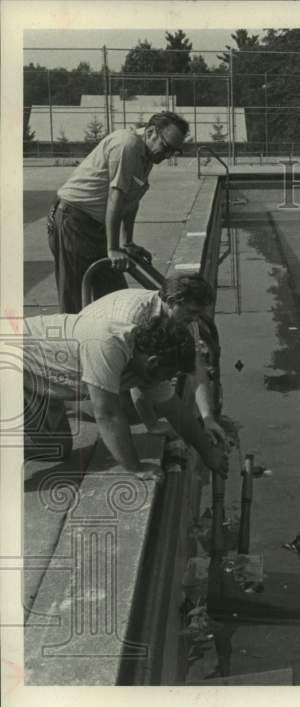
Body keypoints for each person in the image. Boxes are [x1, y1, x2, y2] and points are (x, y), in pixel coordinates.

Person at [22, 313, 227, 482]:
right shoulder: (108, 346)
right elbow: (107, 415)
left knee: (56, 448)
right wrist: (135, 467)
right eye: (169, 375)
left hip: (39, 376)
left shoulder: (144, 354)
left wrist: (208, 454)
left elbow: (174, 408)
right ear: (153, 362)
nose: (167, 380)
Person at [47, 111, 190, 313]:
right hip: (73, 221)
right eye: (166, 148)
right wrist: (113, 248)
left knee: (114, 297)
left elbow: (131, 200)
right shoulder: (127, 145)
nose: (167, 156)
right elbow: (116, 197)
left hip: (96, 226)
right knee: (74, 299)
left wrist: (127, 242)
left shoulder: (147, 155)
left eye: (174, 151)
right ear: (151, 132)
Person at [78, 273, 227, 447]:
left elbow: (195, 366)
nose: (195, 319)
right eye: (192, 312)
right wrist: (152, 424)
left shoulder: (182, 318)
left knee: (161, 398)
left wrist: (207, 417)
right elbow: (139, 372)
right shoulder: (135, 317)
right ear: (171, 301)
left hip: (111, 350)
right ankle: (71, 402)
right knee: (121, 411)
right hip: (86, 352)